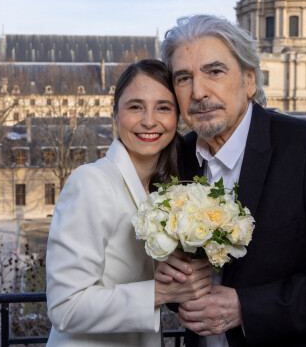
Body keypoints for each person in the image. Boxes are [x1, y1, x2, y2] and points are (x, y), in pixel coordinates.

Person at [156, 15, 306, 346]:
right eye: (183, 78)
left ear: (249, 80)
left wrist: (245, 309)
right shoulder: (178, 157)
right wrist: (173, 282)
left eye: (214, 71)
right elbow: (185, 282)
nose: (198, 91)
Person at [45, 59, 212, 346]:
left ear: (178, 117)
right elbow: (65, 307)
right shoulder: (91, 182)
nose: (149, 120)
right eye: (135, 107)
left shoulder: (171, 190)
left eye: (163, 107)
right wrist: (161, 293)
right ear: (115, 114)